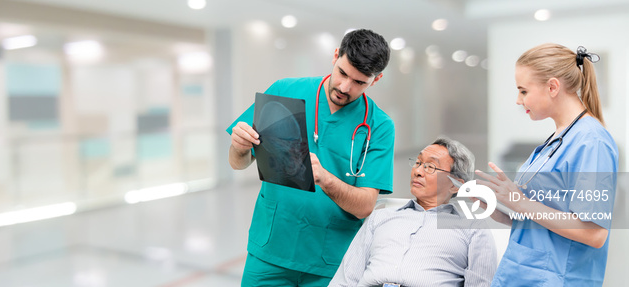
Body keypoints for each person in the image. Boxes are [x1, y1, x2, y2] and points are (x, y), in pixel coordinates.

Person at [226, 29, 395, 286]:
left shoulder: (379, 126)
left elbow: (364, 206)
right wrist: (238, 147)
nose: (344, 87)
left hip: (331, 261)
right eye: (343, 73)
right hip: (270, 248)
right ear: (336, 56)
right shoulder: (285, 91)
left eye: (359, 82)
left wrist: (326, 180)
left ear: (377, 79)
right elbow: (238, 163)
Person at [475, 43, 618, 286]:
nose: (519, 101)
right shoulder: (557, 138)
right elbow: (545, 220)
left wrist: (520, 202)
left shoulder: (591, 142)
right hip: (523, 273)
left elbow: (594, 233)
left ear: (552, 87)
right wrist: (500, 209)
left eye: (523, 91)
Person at [329, 137, 497, 287]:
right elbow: (346, 279)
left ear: (455, 184)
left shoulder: (473, 229)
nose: (417, 171)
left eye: (430, 167)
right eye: (417, 163)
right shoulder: (380, 217)